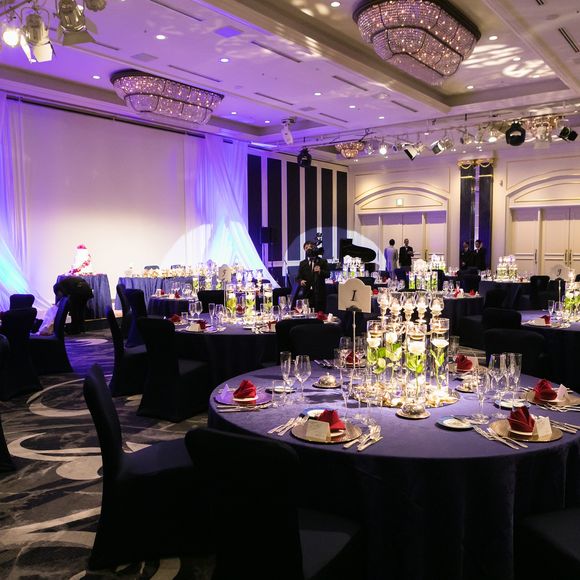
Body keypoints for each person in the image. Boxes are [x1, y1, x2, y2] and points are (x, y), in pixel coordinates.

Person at [296, 240, 330, 312]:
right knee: (307, 313)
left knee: (320, 314)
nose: (309, 249)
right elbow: (298, 277)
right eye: (306, 247)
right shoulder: (302, 263)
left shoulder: (322, 261)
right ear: (304, 250)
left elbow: (328, 274)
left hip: (319, 294)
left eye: (311, 247)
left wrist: (320, 271)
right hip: (307, 294)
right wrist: (301, 281)